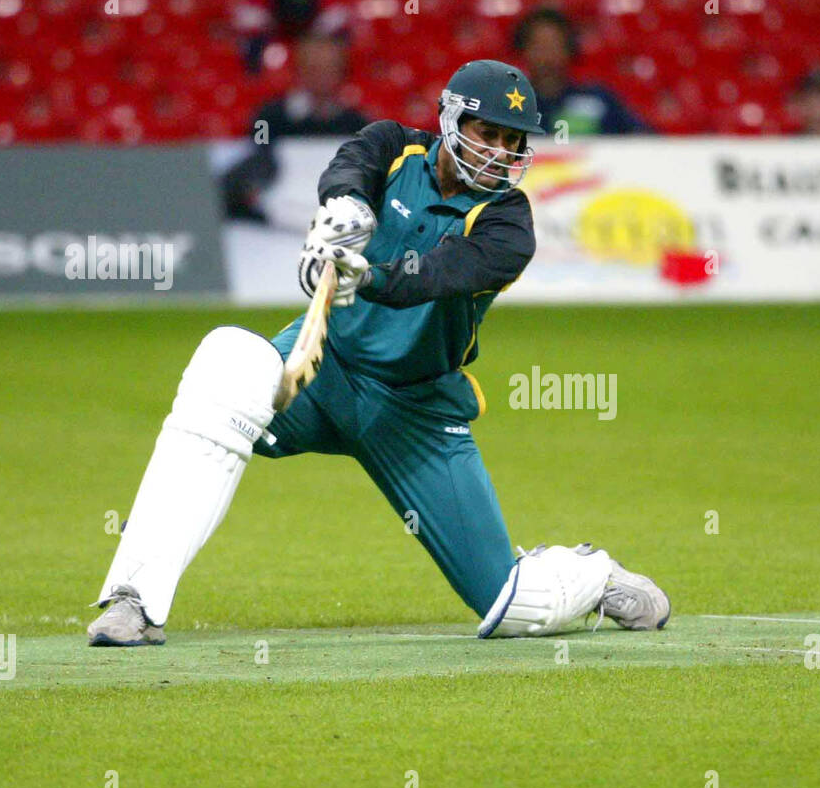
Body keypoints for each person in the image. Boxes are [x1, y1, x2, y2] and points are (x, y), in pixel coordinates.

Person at [87, 59, 670, 646]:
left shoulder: (508, 224)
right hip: (323, 369)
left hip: (416, 411)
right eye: (486, 133)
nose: (498, 152)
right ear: (449, 120)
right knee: (228, 366)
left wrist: (365, 276)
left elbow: (438, 276)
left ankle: (592, 576)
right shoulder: (392, 145)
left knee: (513, 607)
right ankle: (133, 600)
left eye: (511, 141)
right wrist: (345, 214)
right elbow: (349, 167)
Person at [222, 33, 368, 221]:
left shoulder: (358, 124)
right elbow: (255, 159)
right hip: (276, 220)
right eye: (314, 68)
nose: (322, 76)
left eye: (330, 68)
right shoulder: (267, 118)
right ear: (299, 70)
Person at [512, 7, 647, 135]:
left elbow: (645, 139)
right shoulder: (507, 105)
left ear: (569, 49)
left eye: (555, 46)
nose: (547, 57)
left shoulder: (598, 99)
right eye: (539, 47)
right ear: (523, 51)